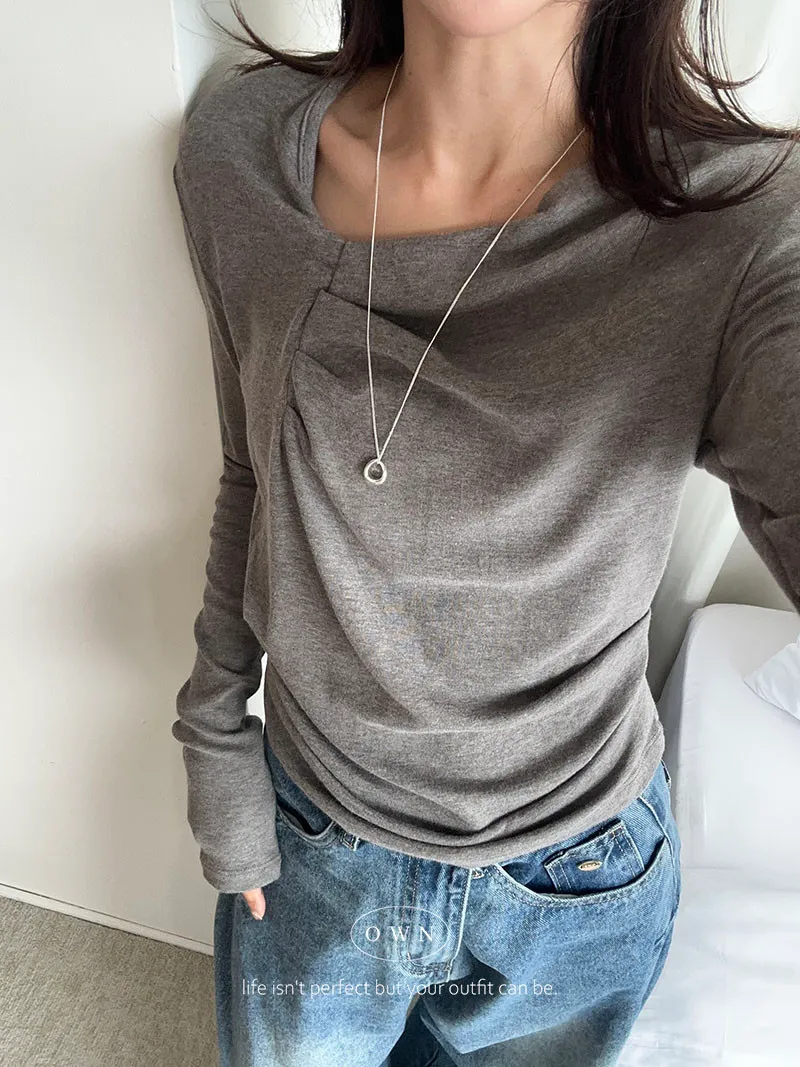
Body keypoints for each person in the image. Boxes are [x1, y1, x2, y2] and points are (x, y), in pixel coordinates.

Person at [170, 1, 800, 1064]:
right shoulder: (240, 150)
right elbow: (250, 470)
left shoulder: (739, 225)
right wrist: (215, 736)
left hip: (577, 885)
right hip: (311, 843)